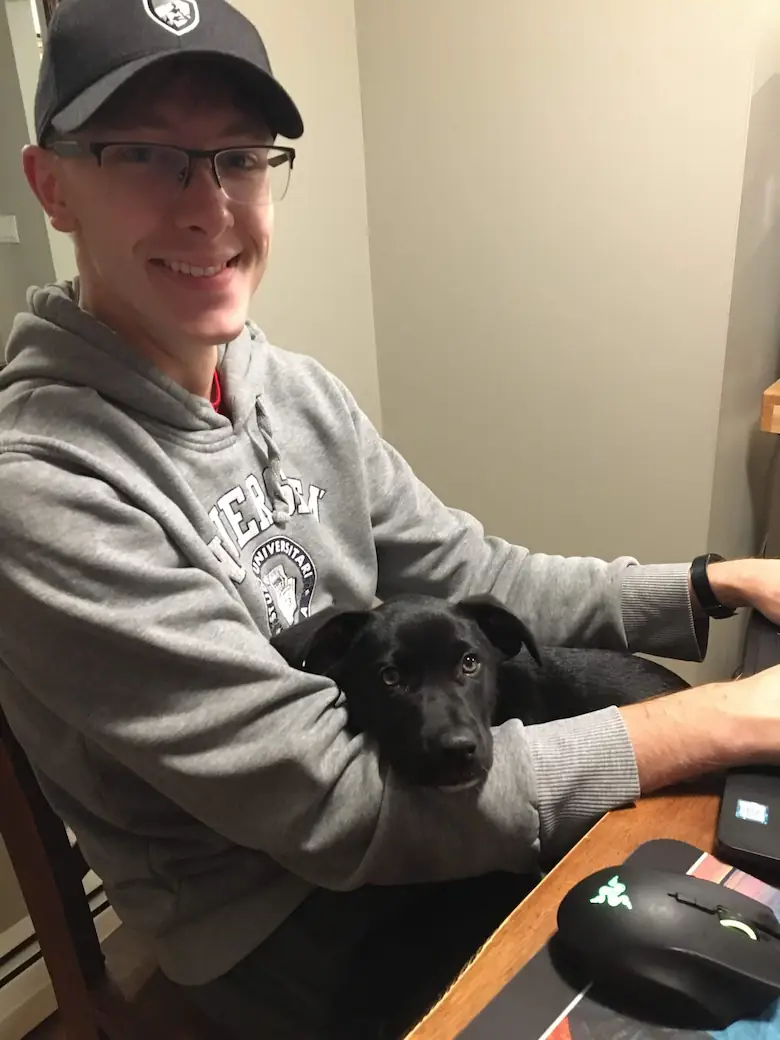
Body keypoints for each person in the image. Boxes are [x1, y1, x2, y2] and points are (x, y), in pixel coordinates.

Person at [3, 0, 780, 1036]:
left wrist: (716, 581)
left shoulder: (295, 390)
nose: (211, 207)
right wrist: (719, 715)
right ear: (53, 185)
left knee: (729, 893)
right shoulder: (43, 491)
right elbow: (336, 806)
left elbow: (481, 576)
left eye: (239, 157)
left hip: (415, 810)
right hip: (275, 914)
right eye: (148, 155)